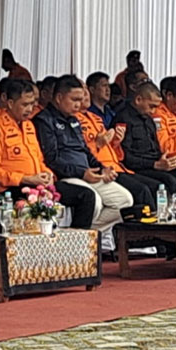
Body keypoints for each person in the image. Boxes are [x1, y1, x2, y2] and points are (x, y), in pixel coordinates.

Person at [0, 79, 99, 228]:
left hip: (38, 183)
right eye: (25, 104)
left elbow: (39, 159)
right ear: (11, 104)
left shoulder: (29, 126)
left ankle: (77, 240)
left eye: (32, 104)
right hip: (13, 188)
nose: (29, 109)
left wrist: (48, 175)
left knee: (86, 196)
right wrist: (26, 179)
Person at [35, 75, 133, 238]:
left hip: (87, 173)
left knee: (124, 200)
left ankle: (85, 233)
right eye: (74, 100)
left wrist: (102, 169)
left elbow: (85, 150)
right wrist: (82, 173)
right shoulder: (44, 120)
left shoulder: (74, 120)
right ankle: (81, 238)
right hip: (66, 175)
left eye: (80, 100)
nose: (78, 105)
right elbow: (52, 158)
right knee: (94, 201)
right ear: (59, 98)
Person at [75, 82, 156, 208]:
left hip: (117, 167)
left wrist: (116, 142)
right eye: (81, 91)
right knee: (142, 190)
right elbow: (80, 152)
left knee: (155, 186)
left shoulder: (95, 118)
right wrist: (97, 144)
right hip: (100, 169)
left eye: (86, 90)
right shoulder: (74, 121)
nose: (86, 94)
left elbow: (113, 152)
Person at [115, 81, 176, 194]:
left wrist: (174, 161)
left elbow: (158, 150)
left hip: (157, 165)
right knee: (168, 183)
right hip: (138, 168)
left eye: (156, 107)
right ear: (138, 100)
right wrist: (155, 164)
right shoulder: (123, 119)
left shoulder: (149, 120)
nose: (153, 111)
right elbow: (125, 157)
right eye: (151, 106)